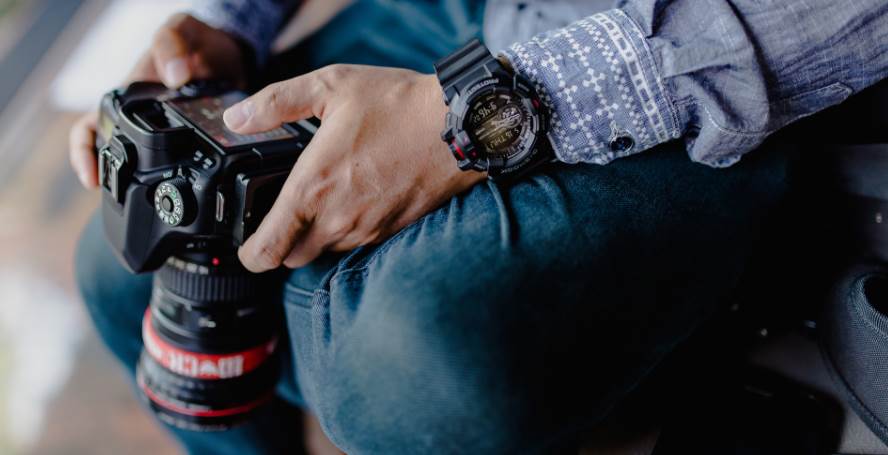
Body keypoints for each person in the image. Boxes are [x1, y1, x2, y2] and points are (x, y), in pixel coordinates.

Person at [70, 0, 888, 453]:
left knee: (419, 368)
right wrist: (228, 20)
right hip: (473, 9)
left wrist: (475, 117)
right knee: (121, 272)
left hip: (691, 53)